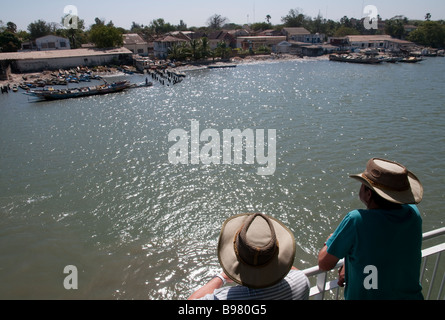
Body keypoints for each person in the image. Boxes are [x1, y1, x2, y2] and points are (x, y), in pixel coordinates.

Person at [318, 158, 424, 300]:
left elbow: (324, 263)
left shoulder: (357, 220)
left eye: (363, 184)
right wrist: (349, 265)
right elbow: (386, 249)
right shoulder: (413, 214)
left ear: (368, 193)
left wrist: (332, 239)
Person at [188, 213, 310, 300]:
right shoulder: (301, 281)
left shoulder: (224, 298)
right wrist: (271, 258)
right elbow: (289, 268)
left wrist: (222, 277)